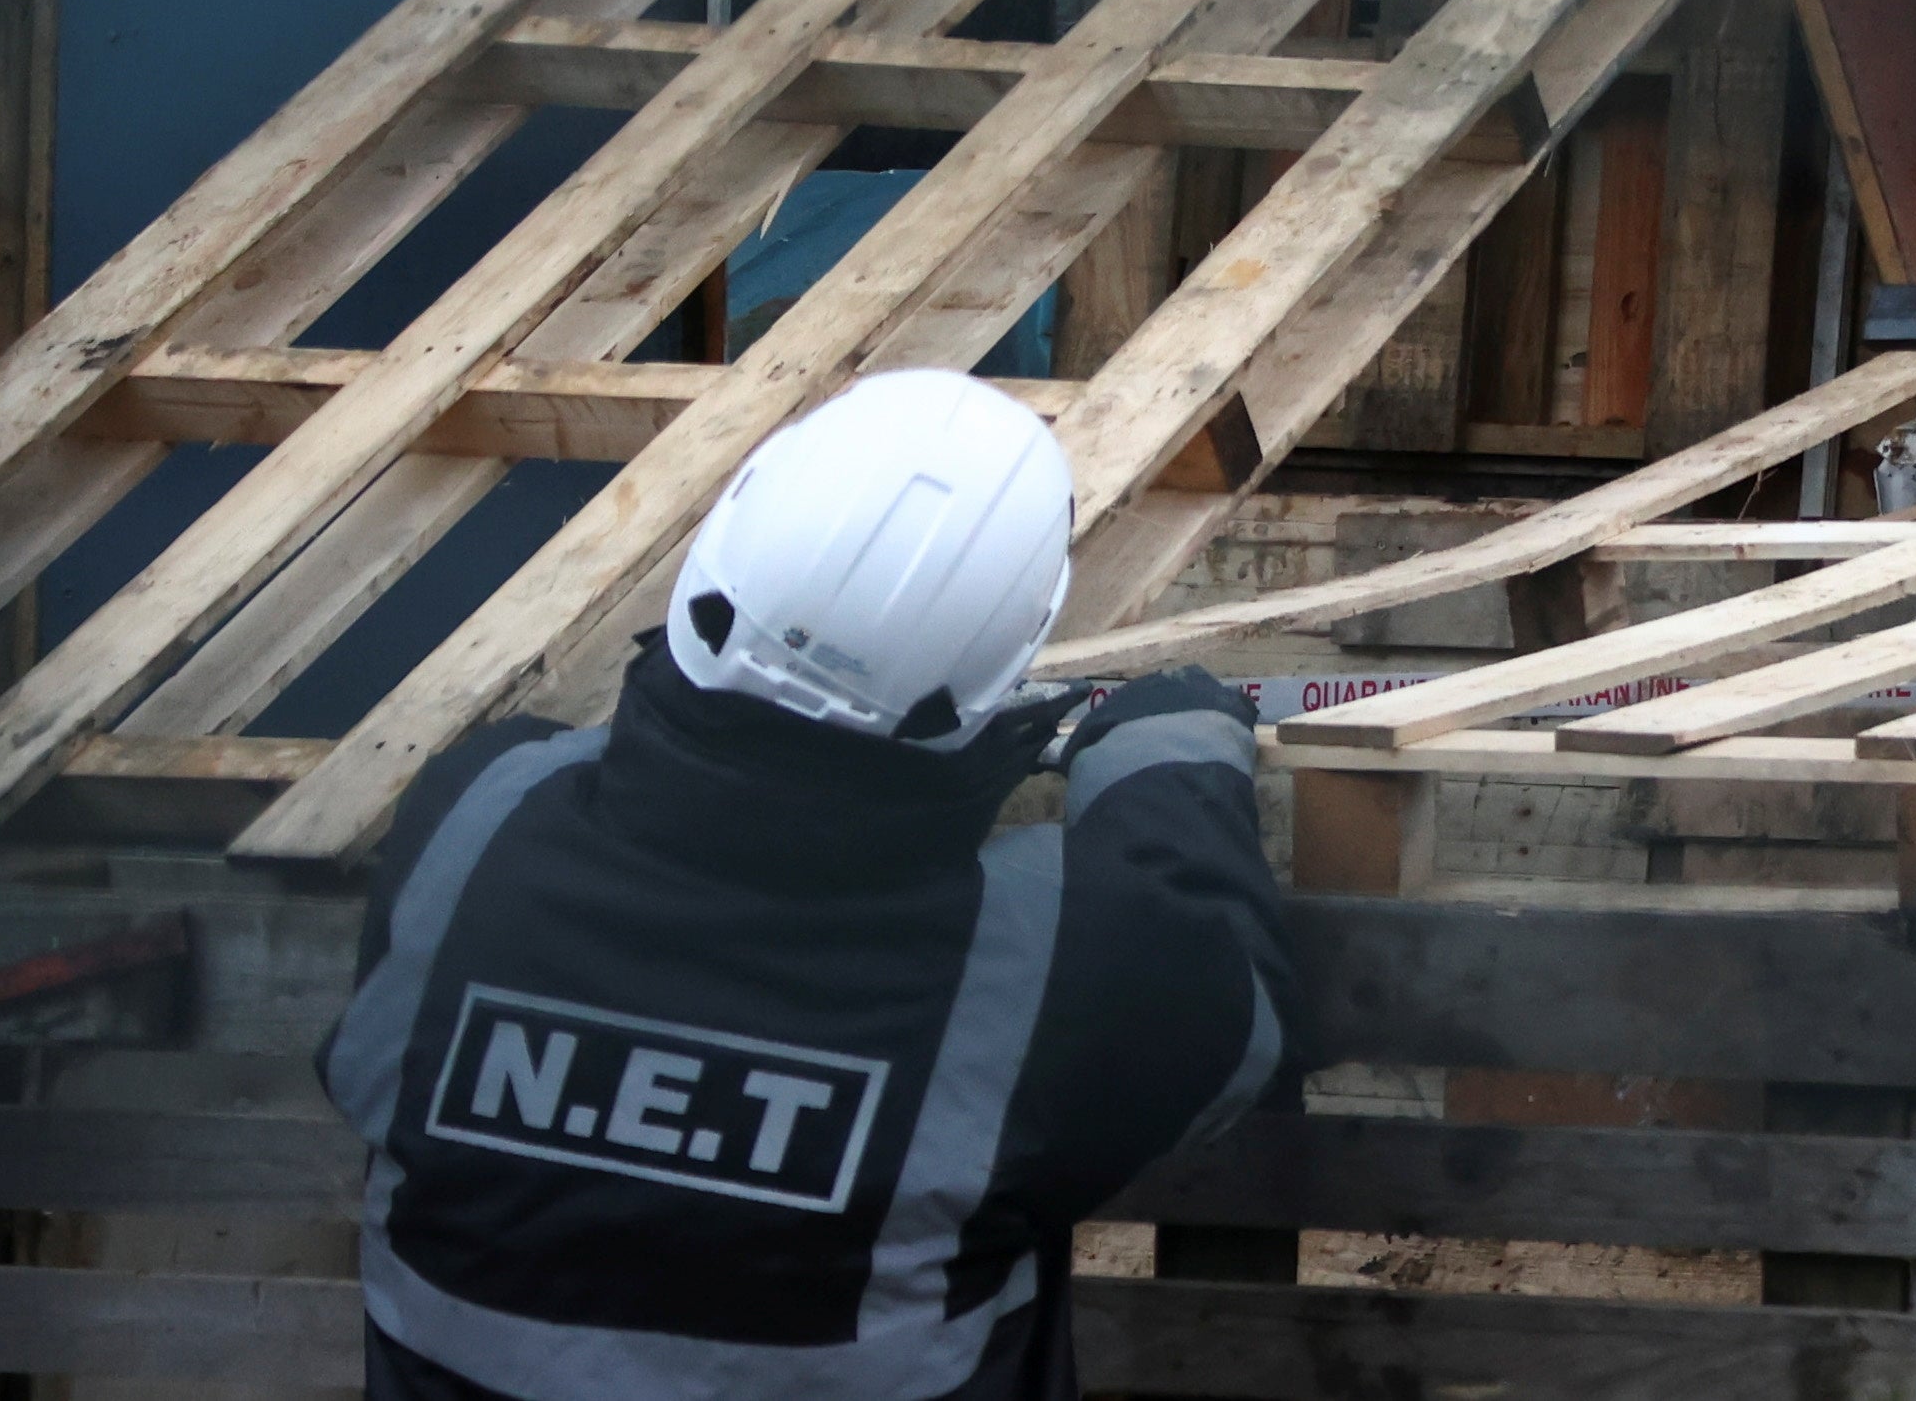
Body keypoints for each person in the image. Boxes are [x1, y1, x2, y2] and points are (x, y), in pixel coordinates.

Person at [319, 371, 1297, 1401]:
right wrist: (1167, 752)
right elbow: (1232, 1010)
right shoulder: (1033, 966)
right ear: (1008, 657)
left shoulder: (478, 812)